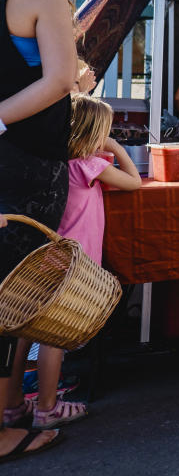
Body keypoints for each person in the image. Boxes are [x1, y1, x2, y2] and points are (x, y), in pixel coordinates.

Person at [5, 94, 142, 432]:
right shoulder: (90, 165)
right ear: (95, 134)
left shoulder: (51, 164)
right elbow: (134, 182)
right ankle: (47, 408)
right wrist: (116, 147)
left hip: (43, 256)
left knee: (23, 332)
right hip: (72, 263)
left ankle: (12, 405)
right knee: (54, 335)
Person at [0, 0, 78, 459]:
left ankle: (11, 409)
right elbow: (60, 79)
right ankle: (5, 431)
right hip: (28, 162)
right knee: (16, 292)